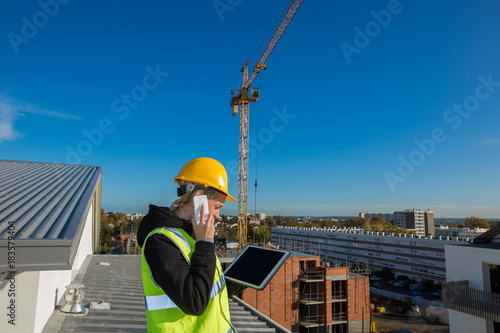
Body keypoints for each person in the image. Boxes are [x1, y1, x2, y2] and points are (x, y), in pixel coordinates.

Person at [138, 157, 245, 332]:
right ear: (199, 197)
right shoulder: (160, 241)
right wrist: (205, 243)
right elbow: (195, 302)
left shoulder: (191, 236)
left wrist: (248, 272)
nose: (218, 215)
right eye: (217, 206)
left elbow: (210, 288)